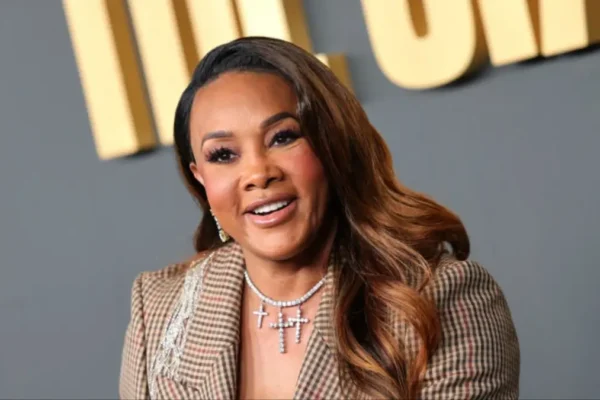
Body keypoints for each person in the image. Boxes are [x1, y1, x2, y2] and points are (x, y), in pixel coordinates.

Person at [118, 36, 519, 399]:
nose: (258, 173)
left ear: (333, 144)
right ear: (200, 178)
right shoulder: (159, 310)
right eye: (223, 155)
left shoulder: (441, 298)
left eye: (283, 137)